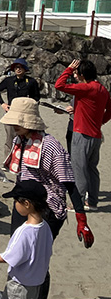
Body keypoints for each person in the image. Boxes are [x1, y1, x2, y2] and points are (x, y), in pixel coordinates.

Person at [1, 97, 95, 299]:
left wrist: (81, 219)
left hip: (47, 208)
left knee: (37, 260)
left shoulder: (51, 146)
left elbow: (69, 183)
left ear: (30, 122)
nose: (13, 126)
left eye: (18, 122)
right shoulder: (19, 140)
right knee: (17, 252)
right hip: (23, 203)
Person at [0, 180, 54, 299]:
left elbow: (9, 258)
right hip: (36, 283)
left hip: (20, 284)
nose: (15, 204)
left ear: (26, 203)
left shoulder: (25, 231)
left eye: (16, 201)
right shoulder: (45, 226)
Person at [54, 59, 110, 211]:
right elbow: (109, 110)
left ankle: (78, 202)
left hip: (82, 134)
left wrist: (68, 69)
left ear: (82, 75)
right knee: (92, 169)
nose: (74, 75)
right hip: (95, 135)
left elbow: (59, 85)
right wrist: (100, 122)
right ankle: (92, 202)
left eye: (76, 73)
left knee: (79, 168)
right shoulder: (102, 89)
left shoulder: (85, 88)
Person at [0, 57, 41, 159]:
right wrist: (2, 103)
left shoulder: (31, 81)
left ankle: (22, 160)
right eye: (16, 67)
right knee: (10, 139)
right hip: (11, 113)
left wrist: (31, 106)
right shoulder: (8, 80)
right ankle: (8, 160)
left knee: (26, 138)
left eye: (20, 67)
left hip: (25, 114)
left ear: (25, 69)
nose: (18, 69)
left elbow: (37, 97)